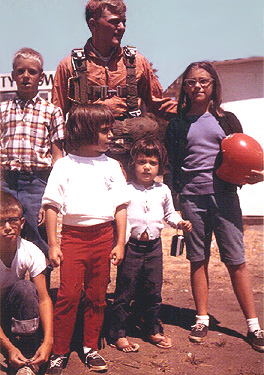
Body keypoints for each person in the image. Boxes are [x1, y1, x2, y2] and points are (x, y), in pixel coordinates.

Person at [164, 61, 264, 352]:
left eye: (204, 81)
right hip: (192, 199)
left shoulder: (228, 120)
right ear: (185, 86)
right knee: (197, 259)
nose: (197, 86)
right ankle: (201, 319)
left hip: (224, 198)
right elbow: (172, 166)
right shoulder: (177, 123)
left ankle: (254, 326)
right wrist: (176, 200)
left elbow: (243, 158)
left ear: (213, 86)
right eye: (192, 81)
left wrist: (253, 178)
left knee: (236, 260)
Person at [42, 104, 129, 373]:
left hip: (104, 237)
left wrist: (120, 242)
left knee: (97, 295)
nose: (111, 136)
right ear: (85, 130)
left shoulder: (113, 165)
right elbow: (51, 206)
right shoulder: (63, 165)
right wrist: (54, 244)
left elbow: (121, 207)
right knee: (68, 295)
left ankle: (90, 347)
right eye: (105, 131)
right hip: (73, 238)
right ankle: (59, 350)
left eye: (110, 130)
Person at [51, 0, 177, 169]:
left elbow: (157, 102)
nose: (122, 27)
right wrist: (57, 161)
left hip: (129, 154)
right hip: (85, 158)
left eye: (123, 21)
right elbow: (56, 116)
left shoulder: (137, 62)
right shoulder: (69, 65)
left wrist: (193, 111)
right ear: (93, 24)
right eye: (114, 21)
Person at [109, 136, 192, 352]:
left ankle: (152, 329)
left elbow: (170, 213)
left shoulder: (162, 190)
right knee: (125, 291)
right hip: (131, 248)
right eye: (141, 162)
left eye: (152, 163)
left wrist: (180, 222)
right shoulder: (125, 189)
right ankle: (118, 332)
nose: (147, 167)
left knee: (153, 291)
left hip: (154, 248)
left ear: (160, 166)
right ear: (133, 164)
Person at [0, 47, 65, 259]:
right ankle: (11, 287)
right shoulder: (3, 109)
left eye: (32, 72)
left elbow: (57, 158)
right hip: (7, 182)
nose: (26, 76)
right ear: (13, 76)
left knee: (38, 235)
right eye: (20, 72)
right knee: (5, 235)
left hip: (37, 183)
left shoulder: (52, 111)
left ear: (41, 76)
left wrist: (51, 197)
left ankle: (41, 289)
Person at [0, 192, 53, 375]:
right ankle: (11, 348)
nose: (7, 227)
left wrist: (48, 342)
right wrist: (8, 347)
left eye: (12, 220)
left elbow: (44, 299)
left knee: (26, 288)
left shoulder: (31, 251)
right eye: (0, 222)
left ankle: (28, 355)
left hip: (13, 308)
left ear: (22, 223)